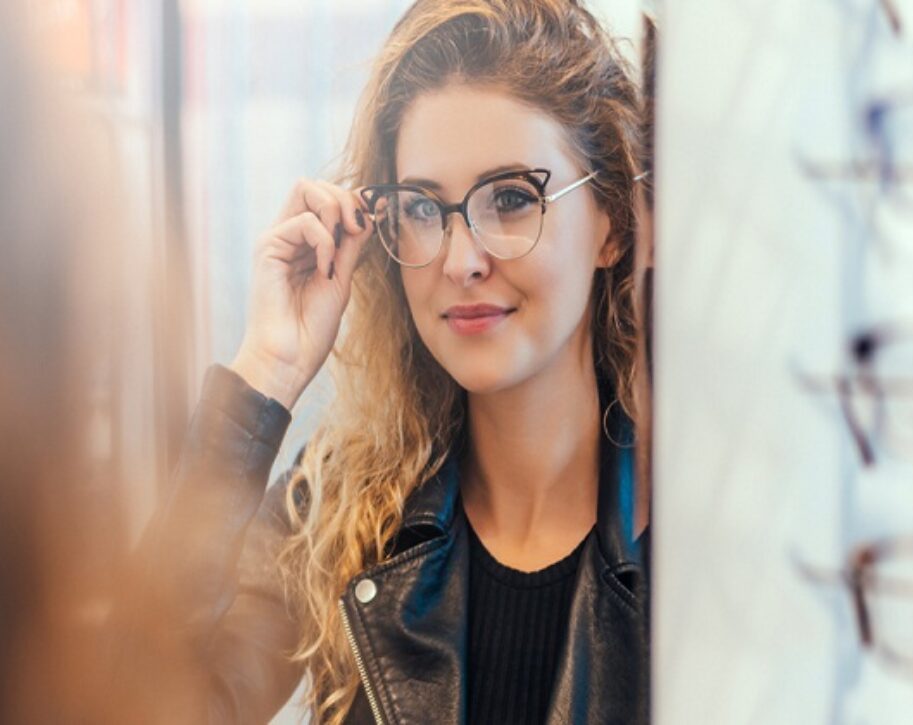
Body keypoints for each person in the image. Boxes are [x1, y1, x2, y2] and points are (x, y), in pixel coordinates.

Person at [122, 1, 651, 723]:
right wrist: (266, 370)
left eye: (510, 199)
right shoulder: (339, 511)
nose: (462, 260)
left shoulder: (695, 533)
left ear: (612, 223)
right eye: (422, 207)